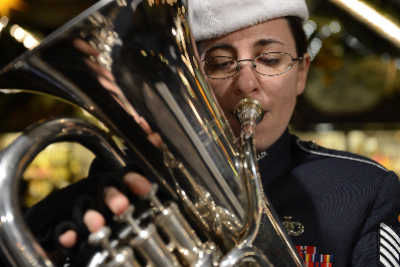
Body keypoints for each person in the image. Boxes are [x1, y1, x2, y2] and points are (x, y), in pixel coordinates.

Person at [23, 0, 400, 266]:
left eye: (270, 59)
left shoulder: (364, 189)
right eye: (220, 63)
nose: (247, 83)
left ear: (301, 73)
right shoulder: (116, 196)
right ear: (193, 83)